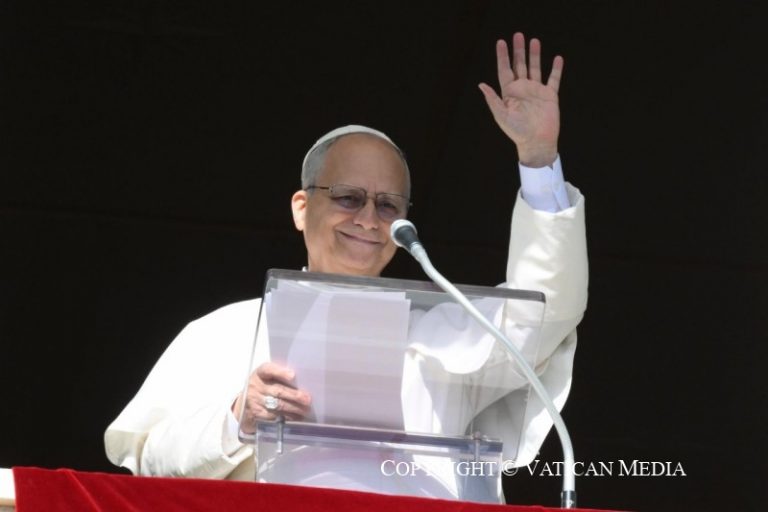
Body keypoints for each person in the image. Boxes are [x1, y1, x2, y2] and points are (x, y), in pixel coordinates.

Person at [105, 33, 587, 502]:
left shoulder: (445, 332)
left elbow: (546, 314)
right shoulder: (224, 330)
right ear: (301, 208)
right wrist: (237, 419)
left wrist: (538, 159)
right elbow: (147, 461)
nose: (368, 220)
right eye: (348, 197)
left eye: (387, 205)